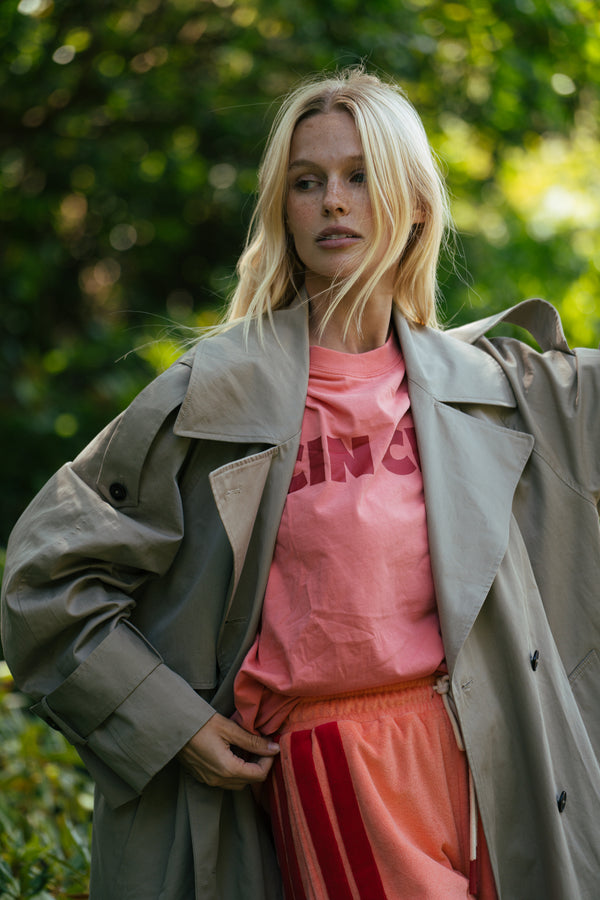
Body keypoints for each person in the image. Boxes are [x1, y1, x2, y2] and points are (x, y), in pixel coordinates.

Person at [1, 67, 599, 900]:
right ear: (283, 208)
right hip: (337, 763)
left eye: (360, 176)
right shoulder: (216, 394)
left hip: (495, 767)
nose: (333, 202)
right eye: (307, 182)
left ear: (414, 203)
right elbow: (44, 579)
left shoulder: (499, 390)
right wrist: (172, 725)